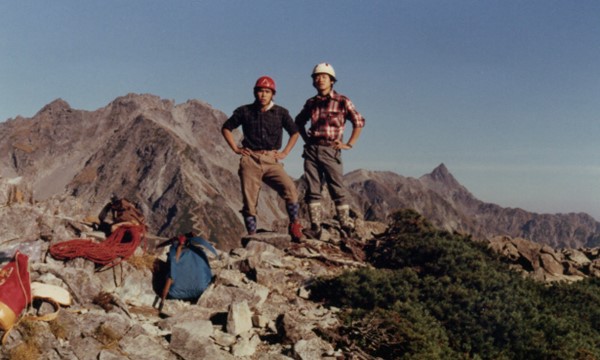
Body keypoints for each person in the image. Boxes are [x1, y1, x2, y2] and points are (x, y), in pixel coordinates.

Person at [222, 76, 303, 242]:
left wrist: (285, 152)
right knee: (249, 200)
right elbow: (226, 128)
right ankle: (252, 236)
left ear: (273, 94)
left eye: (267, 92)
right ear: (255, 92)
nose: (263, 95)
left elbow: (295, 132)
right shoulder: (244, 111)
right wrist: (236, 149)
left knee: (291, 190)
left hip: (271, 159)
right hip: (250, 158)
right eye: (260, 91)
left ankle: (294, 225)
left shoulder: (281, 113)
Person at [295, 63, 365, 238]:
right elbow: (298, 122)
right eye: (317, 77)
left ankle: (346, 226)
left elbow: (358, 121)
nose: (320, 80)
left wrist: (349, 144)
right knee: (313, 188)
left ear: (332, 81)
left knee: (337, 187)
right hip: (311, 150)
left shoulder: (342, 101)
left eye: (324, 77)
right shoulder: (311, 103)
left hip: (330, 149)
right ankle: (315, 227)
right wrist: (306, 140)